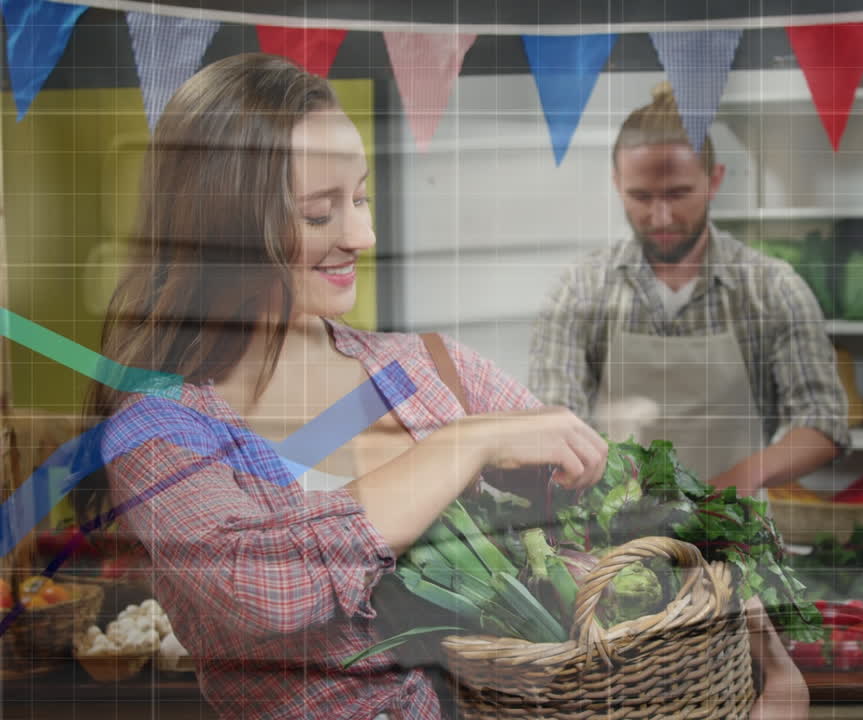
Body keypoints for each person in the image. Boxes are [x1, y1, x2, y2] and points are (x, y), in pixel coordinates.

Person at [80, 54, 805, 719]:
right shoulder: (160, 429)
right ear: (224, 226)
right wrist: (465, 443)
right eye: (319, 212)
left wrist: (760, 667)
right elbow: (259, 587)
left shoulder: (431, 369)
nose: (361, 236)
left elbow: (630, 524)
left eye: (360, 198)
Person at [529, 82, 849, 497]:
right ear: (616, 182)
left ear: (714, 181)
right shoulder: (580, 289)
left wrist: (737, 482)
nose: (660, 216)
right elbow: (553, 418)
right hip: (613, 534)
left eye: (678, 194)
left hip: (734, 528)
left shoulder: (772, 289)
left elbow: (823, 420)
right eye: (640, 197)